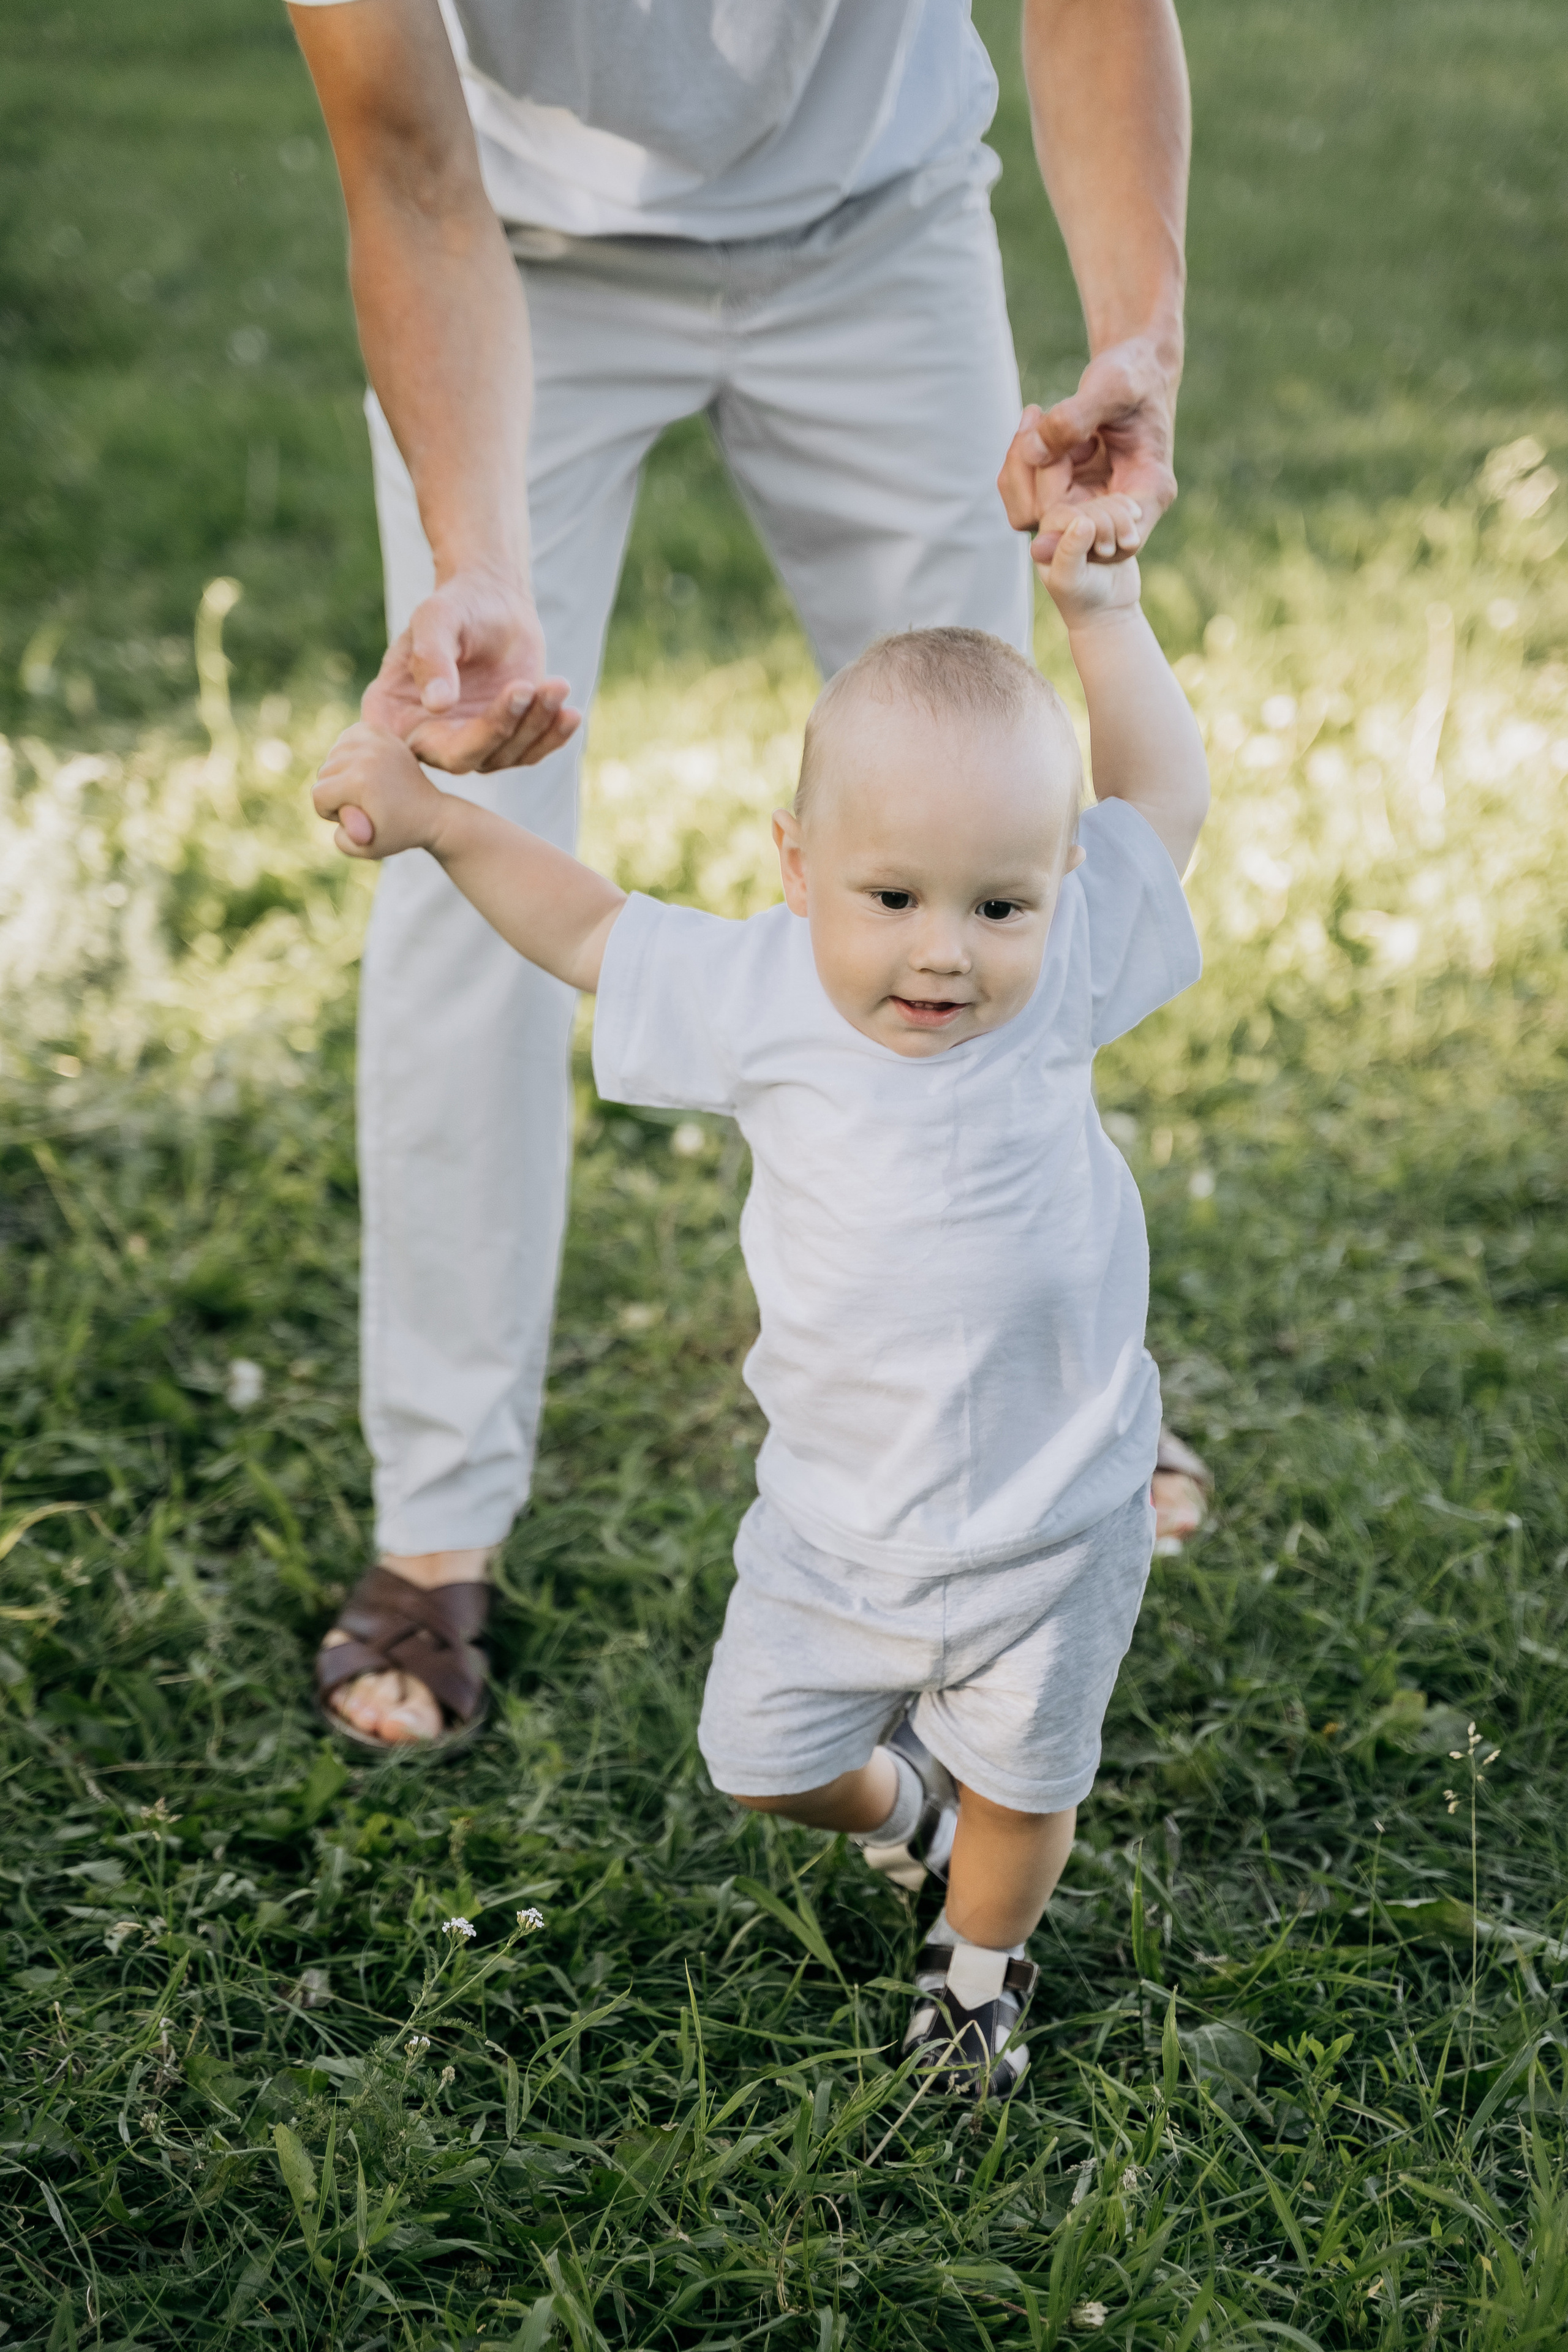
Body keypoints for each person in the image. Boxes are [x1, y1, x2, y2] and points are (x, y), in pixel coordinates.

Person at [285, 0, 1207, 1747]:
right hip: (521, 255)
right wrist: (480, 560)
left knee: (978, 831)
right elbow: (408, 168)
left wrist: (1137, 343)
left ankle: (1057, 1412)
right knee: (462, 857)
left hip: (880, 226)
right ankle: (439, 1524)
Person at [313, 507, 1209, 2095]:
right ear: (797, 872)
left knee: (1031, 1782)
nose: (946, 955)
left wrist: (1099, 609)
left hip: (1059, 1517)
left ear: (1056, 888)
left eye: (997, 906)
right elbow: (587, 927)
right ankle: (904, 1813)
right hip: (835, 1529)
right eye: (893, 899)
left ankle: (981, 1967)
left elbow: (1164, 800)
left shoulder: (1068, 965)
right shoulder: (763, 995)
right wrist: (443, 824)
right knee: (765, 1764)